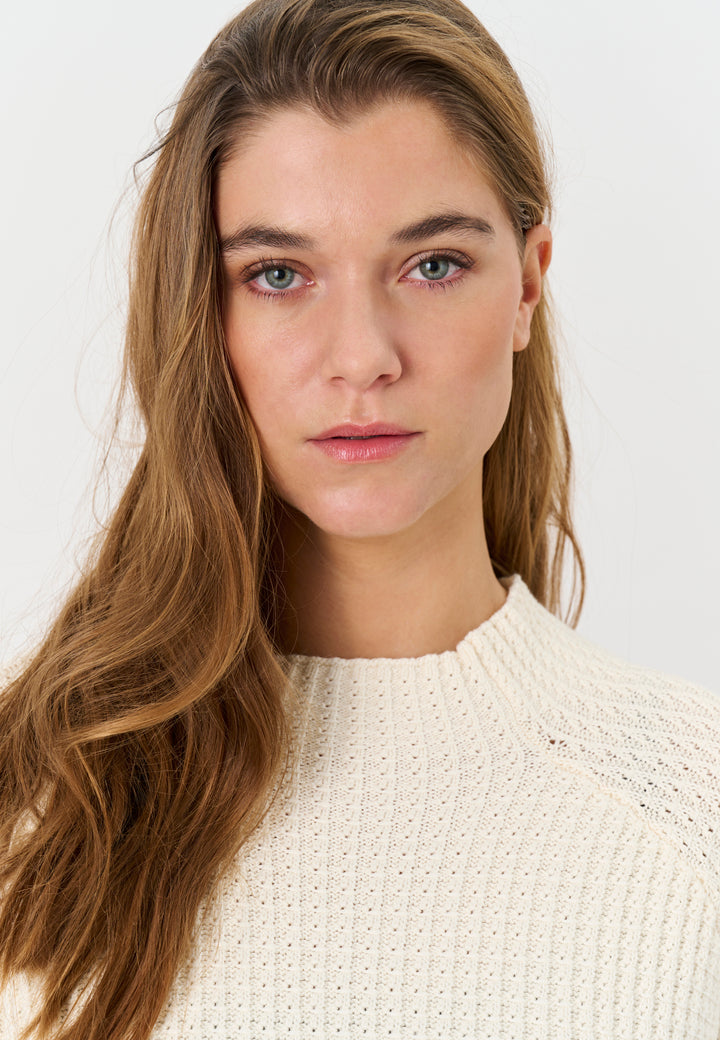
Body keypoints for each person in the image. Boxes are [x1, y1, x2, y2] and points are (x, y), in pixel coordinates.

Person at [1, 0, 718, 1037]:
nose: (361, 356)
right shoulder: (40, 807)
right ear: (202, 309)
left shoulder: (693, 808)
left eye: (433, 265)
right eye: (278, 275)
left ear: (527, 286)